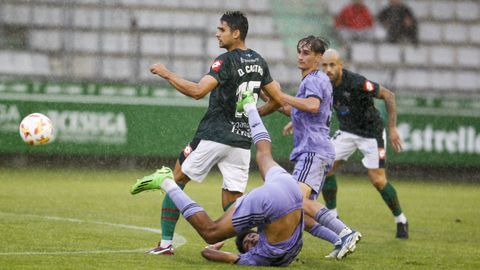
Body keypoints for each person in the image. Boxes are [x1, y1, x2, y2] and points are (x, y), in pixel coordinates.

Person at [130, 91, 359, 266]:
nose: (251, 241)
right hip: (283, 193)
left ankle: (249, 107)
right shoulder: (260, 255)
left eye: (247, 241)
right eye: (250, 241)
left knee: (262, 155)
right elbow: (209, 252)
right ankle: (167, 181)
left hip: (281, 191)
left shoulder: (260, 255)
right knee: (264, 159)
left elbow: (210, 252)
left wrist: (221, 244)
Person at [146, 10, 283, 255]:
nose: (217, 34)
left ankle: (166, 244)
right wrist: (250, 116)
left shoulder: (225, 60)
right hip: (242, 142)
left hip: (214, 135)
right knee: (233, 202)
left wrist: (166, 73)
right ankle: (258, 243)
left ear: (236, 33)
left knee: (175, 181)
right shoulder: (259, 61)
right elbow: (277, 100)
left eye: (222, 30)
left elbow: (198, 91)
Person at [274, 35, 361, 258]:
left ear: (318, 57)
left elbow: (312, 106)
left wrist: (282, 95)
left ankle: (345, 231)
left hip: (313, 150)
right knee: (300, 212)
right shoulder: (318, 80)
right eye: (299, 51)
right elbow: (299, 108)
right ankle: (340, 239)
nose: (300, 56)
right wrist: (271, 97)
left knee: (295, 202)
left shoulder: (313, 79)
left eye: (306, 53)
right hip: (319, 150)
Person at [319, 48, 409, 239]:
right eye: (324, 65)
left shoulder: (357, 82)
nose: (328, 69)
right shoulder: (324, 83)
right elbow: (317, 104)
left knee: (378, 180)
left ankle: (401, 219)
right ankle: (333, 215)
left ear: (340, 65)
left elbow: (389, 95)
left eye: (332, 65)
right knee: (326, 166)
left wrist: (392, 129)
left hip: (371, 134)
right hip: (347, 132)